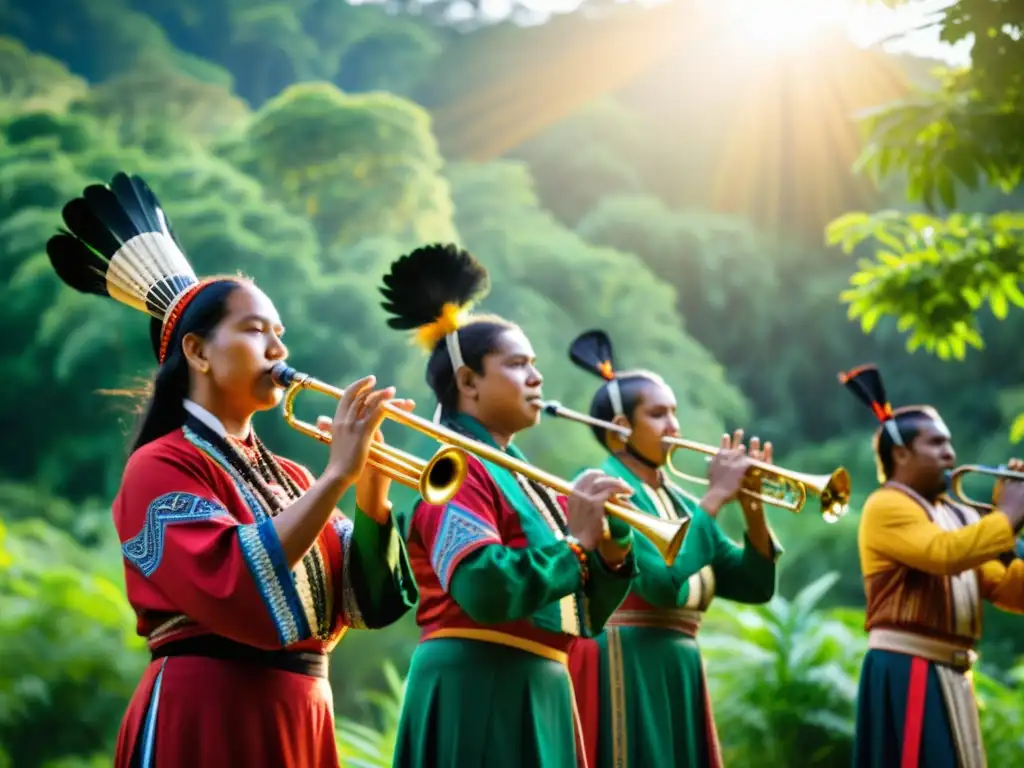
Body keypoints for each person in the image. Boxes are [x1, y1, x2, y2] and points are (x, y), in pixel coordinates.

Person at [44, 172, 418, 767]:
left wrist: (371, 486)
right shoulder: (159, 465)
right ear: (196, 351)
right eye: (254, 330)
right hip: (208, 709)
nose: (278, 349)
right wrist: (337, 477)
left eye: (280, 334)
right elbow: (235, 581)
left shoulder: (294, 476)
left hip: (301, 713)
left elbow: (368, 603)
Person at [378, 244, 640, 768]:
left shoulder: (520, 474)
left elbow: (583, 616)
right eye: (518, 364)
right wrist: (576, 545)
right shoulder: (456, 465)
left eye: (534, 365)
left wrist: (611, 549)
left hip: (539, 681)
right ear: (468, 382)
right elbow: (483, 586)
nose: (536, 378)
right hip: (477, 682)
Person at [562, 329, 782, 768]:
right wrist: (717, 496)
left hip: (675, 665)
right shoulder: (605, 488)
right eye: (658, 414)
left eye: (674, 413)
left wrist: (753, 508)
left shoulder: (680, 500)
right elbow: (661, 587)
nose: (674, 427)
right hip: (625, 662)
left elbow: (755, 586)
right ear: (620, 429)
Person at [840, 364, 1024, 768]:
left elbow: (1009, 591)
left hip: (950, 678)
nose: (951, 455)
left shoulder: (958, 514)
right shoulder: (886, 505)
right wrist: (1006, 515)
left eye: (950, 443)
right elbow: (944, 554)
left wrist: (1013, 524)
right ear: (901, 454)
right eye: (937, 443)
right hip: (909, 671)